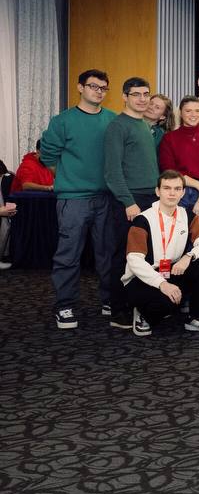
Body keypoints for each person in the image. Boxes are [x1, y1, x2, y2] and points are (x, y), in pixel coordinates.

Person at [41, 69, 117, 328]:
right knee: (68, 254)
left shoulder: (112, 119)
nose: (99, 91)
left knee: (107, 253)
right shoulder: (62, 121)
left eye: (103, 88)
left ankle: (109, 300)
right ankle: (65, 306)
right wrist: (69, 177)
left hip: (106, 198)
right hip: (73, 199)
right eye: (93, 86)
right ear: (80, 87)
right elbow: (48, 156)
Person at [120, 170, 199, 335]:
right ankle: (142, 312)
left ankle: (198, 317)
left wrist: (188, 257)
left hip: (171, 270)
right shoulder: (143, 220)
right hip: (143, 277)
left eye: (177, 189)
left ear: (182, 192)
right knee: (166, 304)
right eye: (167, 188)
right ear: (157, 191)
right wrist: (162, 284)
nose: (172, 193)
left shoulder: (187, 215)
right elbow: (134, 261)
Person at [103, 77, 162, 332]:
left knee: (144, 255)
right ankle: (118, 310)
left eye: (145, 94)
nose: (142, 99)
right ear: (124, 97)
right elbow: (112, 171)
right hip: (130, 200)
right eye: (136, 94)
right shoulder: (118, 126)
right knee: (124, 255)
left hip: (149, 198)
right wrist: (128, 202)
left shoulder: (142, 125)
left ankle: (139, 303)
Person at [158, 95, 199, 239]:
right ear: (180, 113)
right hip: (178, 193)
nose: (193, 115)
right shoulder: (169, 138)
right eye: (188, 111)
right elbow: (169, 171)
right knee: (178, 240)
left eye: (197, 111)